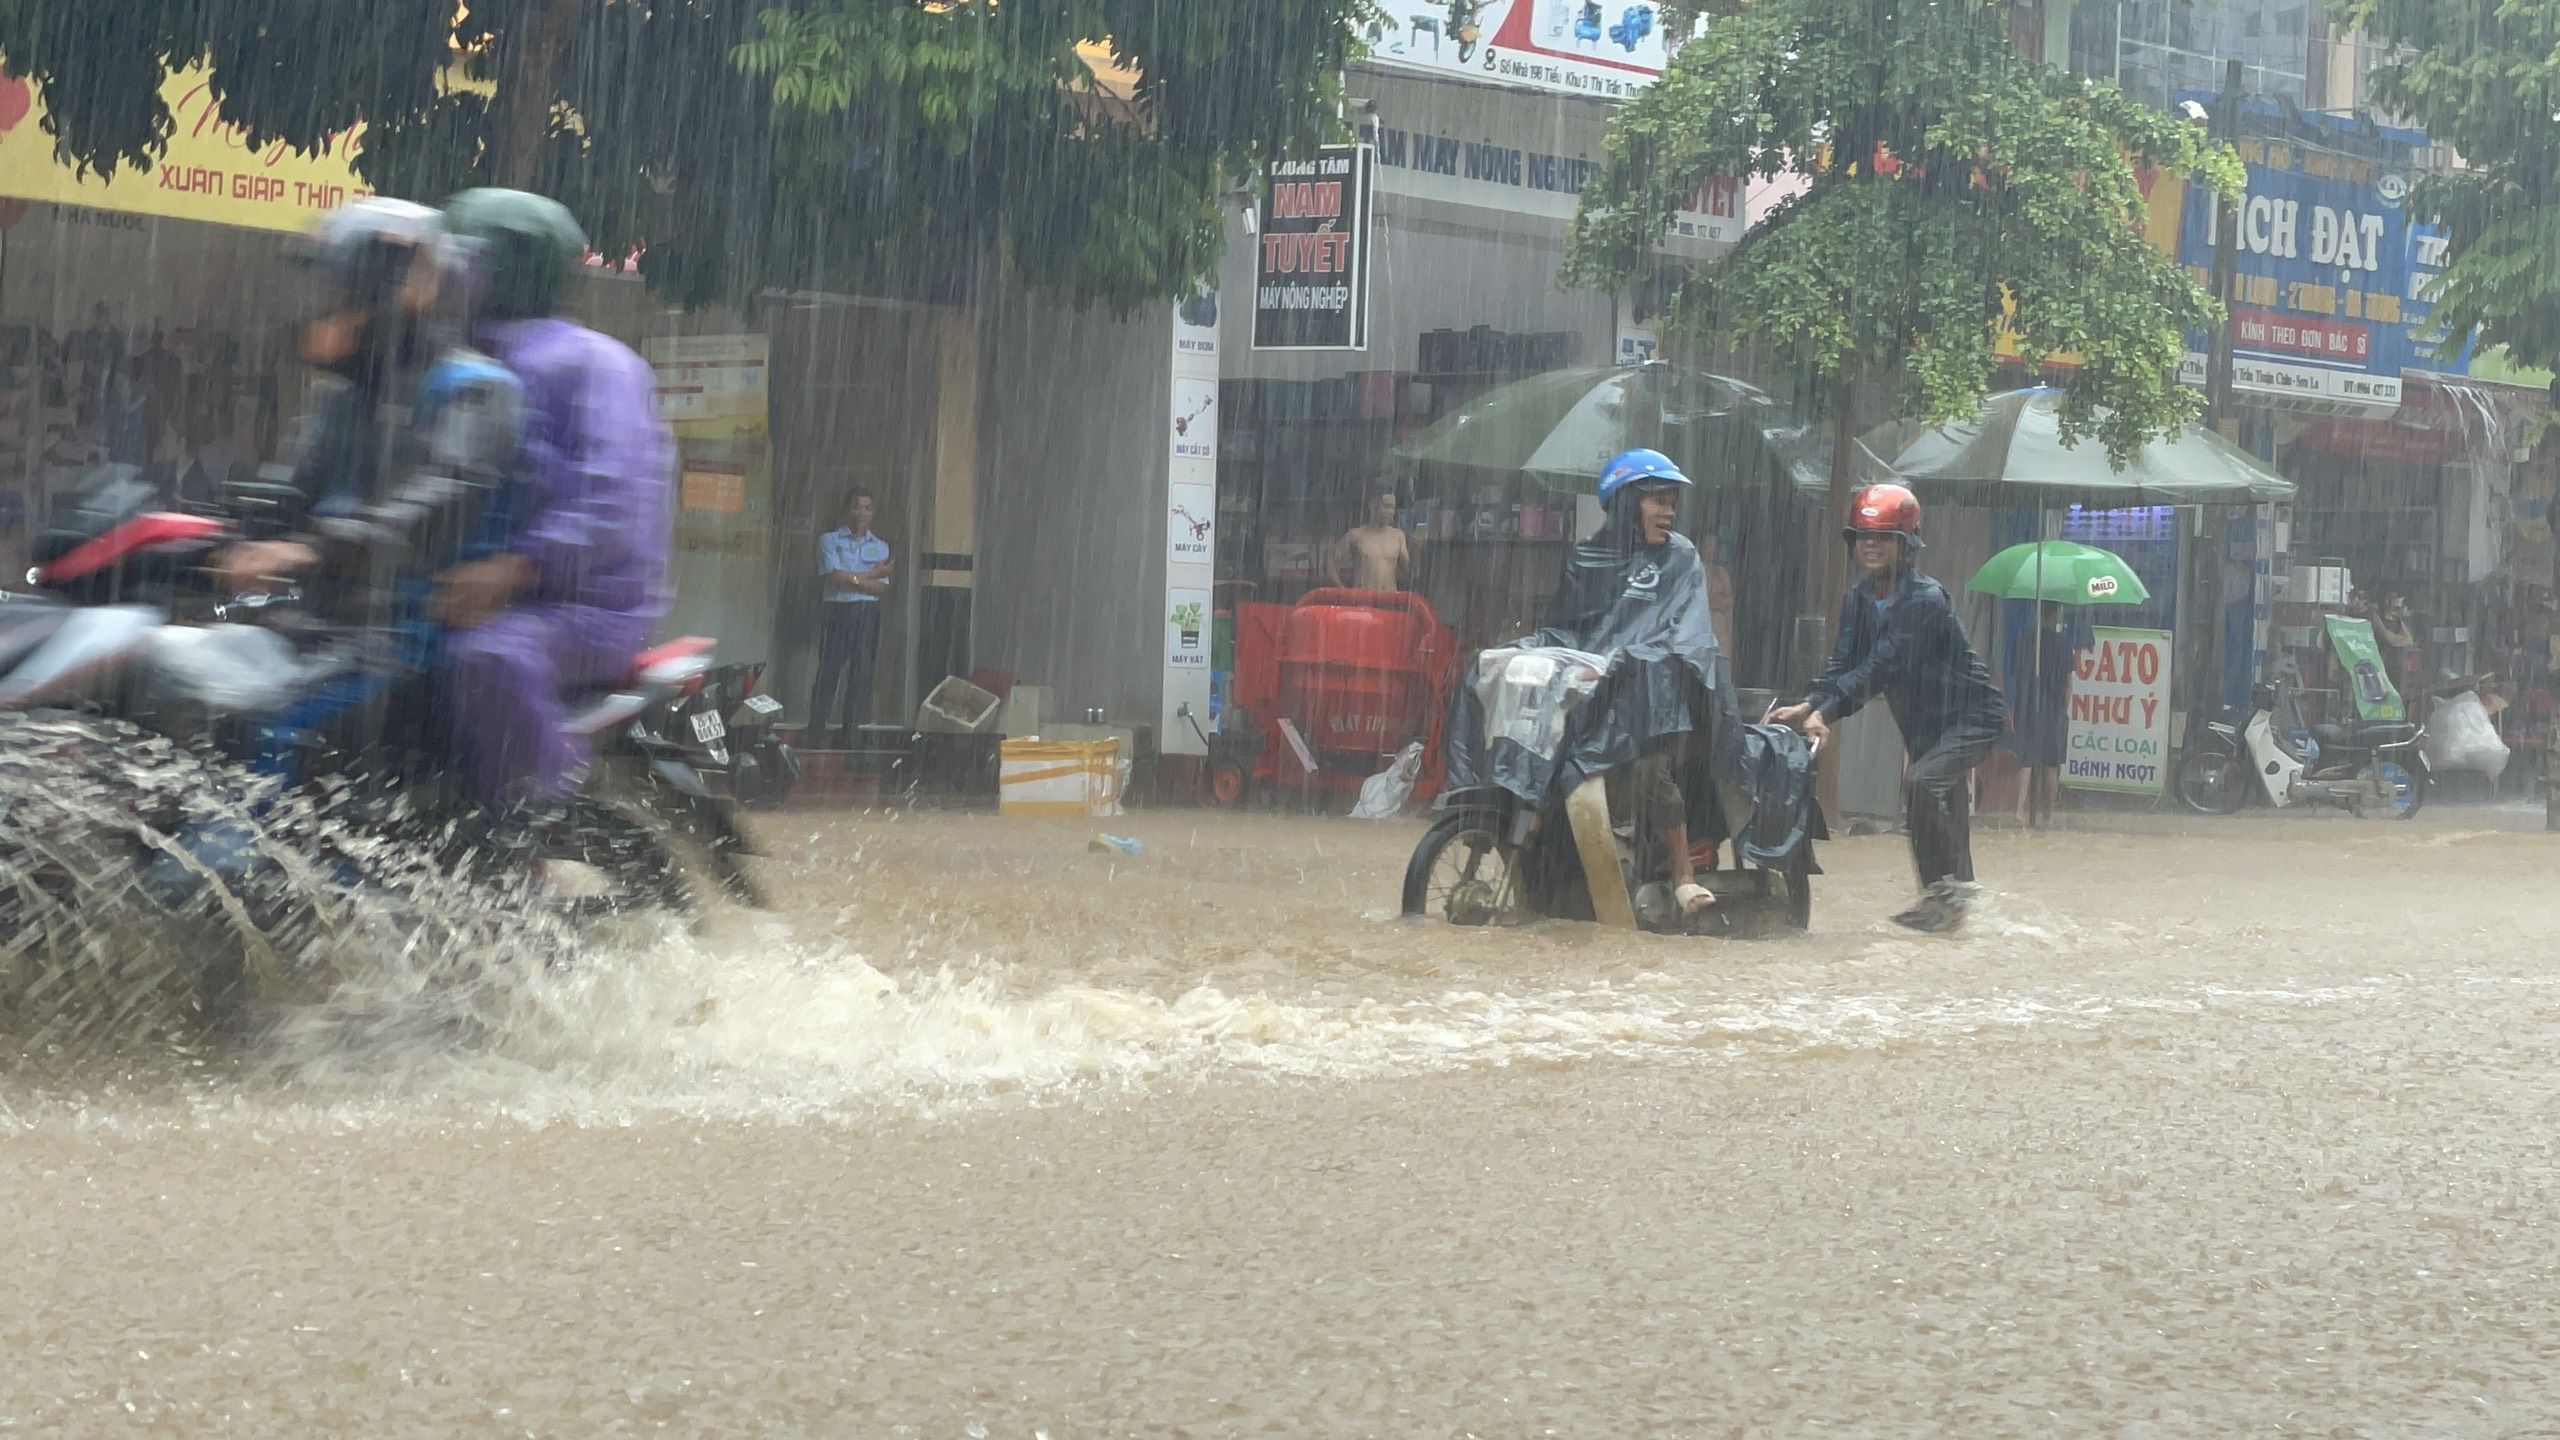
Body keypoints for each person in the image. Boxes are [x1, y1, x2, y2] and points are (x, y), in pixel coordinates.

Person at [434, 187, 673, 812]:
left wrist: (516, 568)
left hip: (581, 608)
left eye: (467, 261)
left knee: (488, 656)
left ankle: (536, 826)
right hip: (453, 591)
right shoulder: (454, 360)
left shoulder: (596, 364)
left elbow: (615, 504)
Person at [1773, 484, 2006, 933]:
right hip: (1923, 726)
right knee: (1936, 804)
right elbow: (1844, 662)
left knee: (1921, 784)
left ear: (1907, 543)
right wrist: (1810, 703)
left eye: (1883, 536)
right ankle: (1955, 908)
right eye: (1864, 536)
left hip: (1971, 717)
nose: (1872, 545)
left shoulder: (1925, 601)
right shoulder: (1859, 599)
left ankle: (1948, 900)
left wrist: (1827, 712)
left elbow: (1880, 667)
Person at [1542, 448, 1722, 917]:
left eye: (1671, 501)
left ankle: (1684, 875)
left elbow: (1687, 635)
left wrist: (1628, 659)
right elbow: (1566, 626)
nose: (1669, 511)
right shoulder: (1588, 556)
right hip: (1592, 689)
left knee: (1649, 768)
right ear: (1626, 503)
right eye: (1656, 500)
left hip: (1657, 693)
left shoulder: (1681, 559)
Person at [809, 487, 893, 747]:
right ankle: (816, 731)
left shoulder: (880, 546)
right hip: (837, 610)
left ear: (873, 512)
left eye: (868, 508)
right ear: (848, 509)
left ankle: (852, 734)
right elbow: (833, 576)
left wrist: (852, 578)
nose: (862, 513)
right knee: (828, 672)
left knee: (861, 676)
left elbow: (881, 587)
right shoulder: (829, 540)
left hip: (867, 613)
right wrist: (869, 575)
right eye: (857, 507)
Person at [2004, 599, 2090, 829]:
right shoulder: (2063, 645)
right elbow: (2067, 683)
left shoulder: (2023, 641)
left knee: (2025, 761)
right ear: (2055, 615)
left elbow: (2016, 677)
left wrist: (2017, 707)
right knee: (2052, 765)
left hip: (2026, 709)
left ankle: (2019, 811)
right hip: (2053, 711)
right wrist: (2063, 708)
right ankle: (2046, 815)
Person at [1332, 486, 1413, 591]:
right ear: (1372, 505)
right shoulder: (1356, 535)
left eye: (1393, 508)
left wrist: (1415, 548)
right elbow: (1330, 560)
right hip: (1363, 599)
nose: (1390, 512)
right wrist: (1341, 588)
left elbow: (1408, 569)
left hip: (1389, 600)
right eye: (1386, 506)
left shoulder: (1398, 536)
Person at [1698, 530, 1736, 652]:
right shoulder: (1694, 569)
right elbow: (1699, 601)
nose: (1713, 549)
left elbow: (1730, 600)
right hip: (1700, 633)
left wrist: (1714, 602)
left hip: (1720, 634)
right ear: (1700, 545)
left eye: (1715, 545)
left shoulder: (1721, 572)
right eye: (1709, 544)